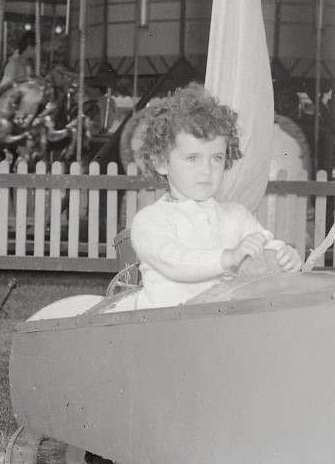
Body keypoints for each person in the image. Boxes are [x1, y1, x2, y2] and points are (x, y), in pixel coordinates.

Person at [128, 83, 302, 309]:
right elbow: (176, 262)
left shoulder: (236, 215)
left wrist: (284, 255)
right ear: (161, 162)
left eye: (217, 158)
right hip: (164, 328)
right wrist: (229, 257)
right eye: (193, 158)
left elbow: (264, 242)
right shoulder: (150, 221)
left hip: (218, 324)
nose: (207, 170)